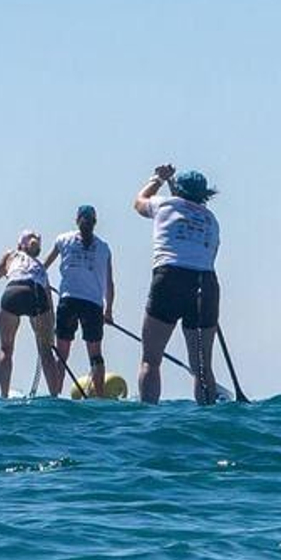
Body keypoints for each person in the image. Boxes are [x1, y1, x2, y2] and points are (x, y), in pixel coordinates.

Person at [132, 164, 222, 405]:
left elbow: (139, 202)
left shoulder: (164, 205)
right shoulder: (212, 221)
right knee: (202, 367)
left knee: (151, 359)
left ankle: (148, 413)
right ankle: (207, 417)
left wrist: (158, 178)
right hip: (205, 284)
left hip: (170, 278)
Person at [42, 205, 115, 398]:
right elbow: (109, 283)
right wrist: (108, 311)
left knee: (62, 353)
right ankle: (99, 397)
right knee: (95, 354)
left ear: (77, 220)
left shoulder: (63, 239)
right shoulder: (104, 248)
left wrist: (38, 283)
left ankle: (55, 395)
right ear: (95, 222)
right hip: (92, 304)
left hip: (69, 301)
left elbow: (42, 268)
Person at [0, 230, 63, 398]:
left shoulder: (11, 255)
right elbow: (49, 301)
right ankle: (54, 396)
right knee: (46, 351)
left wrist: (7, 270)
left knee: (6, 348)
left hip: (13, 292)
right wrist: (51, 329)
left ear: (19, 245)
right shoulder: (40, 268)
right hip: (36, 293)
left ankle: (3, 395)